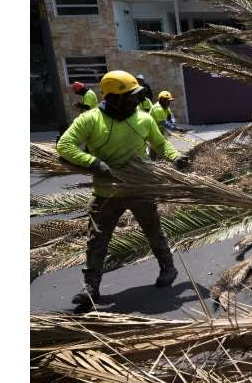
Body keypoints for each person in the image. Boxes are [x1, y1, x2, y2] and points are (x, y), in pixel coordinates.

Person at [57, 70, 190, 309]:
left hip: (139, 187)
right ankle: (91, 287)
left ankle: (168, 267)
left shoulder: (143, 119)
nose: (137, 101)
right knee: (96, 239)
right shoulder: (91, 120)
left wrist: (176, 157)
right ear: (115, 98)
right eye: (131, 96)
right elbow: (64, 145)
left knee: (153, 230)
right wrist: (93, 162)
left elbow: (160, 143)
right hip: (107, 192)